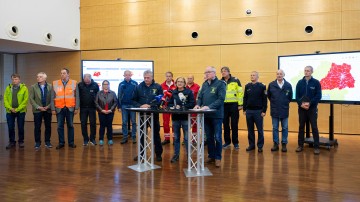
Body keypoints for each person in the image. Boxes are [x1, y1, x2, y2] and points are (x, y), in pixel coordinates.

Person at [194, 66, 226, 168]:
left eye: (208, 72)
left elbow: (221, 99)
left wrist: (209, 107)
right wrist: (198, 104)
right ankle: (211, 156)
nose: (207, 74)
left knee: (217, 137)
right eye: (205, 72)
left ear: (214, 73)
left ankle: (218, 158)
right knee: (209, 137)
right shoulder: (204, 84)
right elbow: (200, 97)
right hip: (206, 115)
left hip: (216, 115)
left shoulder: (220, 84)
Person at [132, 70, 163, 162]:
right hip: (142, 115)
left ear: (152, 77)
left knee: (156, 135)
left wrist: (151, 106)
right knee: (142, 135)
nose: (146, 79)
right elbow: (133, 100)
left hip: (154, 114)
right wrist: (140, 106)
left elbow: (161, 100)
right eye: (145, 78)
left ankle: (158, 154)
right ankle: (141, 154)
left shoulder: (158, 87)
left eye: (148, 78)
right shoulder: (138, 87)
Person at [168, 77, 195, 163]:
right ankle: (176, 155)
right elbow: (169, 103)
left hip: (185, 118)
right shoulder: (173, 92)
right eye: (178, 81)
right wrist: (173, 106)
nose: (179, 83)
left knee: (186, 138)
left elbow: (192, 103)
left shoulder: (188, 92)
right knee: (176, 138)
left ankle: (188, 156)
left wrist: (184, 107)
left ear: (184, 83)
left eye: (181, 82)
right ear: (176, 83)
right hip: (175, 118)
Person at [295, 66, 322, 155]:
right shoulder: (299, 83)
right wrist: (301, 104)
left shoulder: (316, 82)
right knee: (301, 127)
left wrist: (309, 104)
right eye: (305, 71)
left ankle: (316, 147)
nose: (306, 72)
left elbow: (318, 96)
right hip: (302, 109)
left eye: (308, 71)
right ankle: (300, 145)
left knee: (314, 127)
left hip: (312, 109)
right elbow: (297, 96)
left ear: (312, 72)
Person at [51, 68, 80, 150]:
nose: (62, 74)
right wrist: (53, 108)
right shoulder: (55, 83)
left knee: (70, 125)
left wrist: (77, 108)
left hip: (70, 108)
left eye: (64, 73)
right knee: (60, 126)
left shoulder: (74, 83)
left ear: (68, 74)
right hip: (59, 108)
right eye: (61, 73)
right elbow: (52, 97)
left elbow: (77, 96)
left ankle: (71, 142)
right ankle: (61, 142)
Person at [267, 69, 293, 152]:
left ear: (284, 75)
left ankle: (284, 143)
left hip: (284, 109)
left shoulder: (288, 85)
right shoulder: (271, 85)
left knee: (285, 127)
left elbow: (290, 97)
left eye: (281, 74)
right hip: (274, 109)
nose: (279, 75)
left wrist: (284, 103)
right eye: (277, 74)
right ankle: (276, 144)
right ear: (276, 75)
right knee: (275, 128)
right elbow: (269, 96)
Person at [243, 71, 267, 153]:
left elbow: (265, 99)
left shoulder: (262, 86)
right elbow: (245, 98)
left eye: (254, 75)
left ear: (257, 77)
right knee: (250, 130)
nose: (252, 76)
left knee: (260, 130)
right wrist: (244, 109)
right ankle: (251, 145)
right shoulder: (247, 86)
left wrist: (264, 110)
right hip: (249, 111)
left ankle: (260, 146)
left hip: (258, 111)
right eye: (251, 75)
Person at [220, 66, 243, 150]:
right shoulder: (220, 82)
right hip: (224, 106)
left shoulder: (236, 80)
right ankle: (227, 142)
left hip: (234, 105)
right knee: (225, 125)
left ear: (229, 72)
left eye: (225, 71)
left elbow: (240, 92)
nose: (223, 72)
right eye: (222, 71)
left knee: (234, 124)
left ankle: (236, 143)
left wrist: (240, 104)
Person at [4, 73, 29, 149]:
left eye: (16, 79)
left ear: (19, 80)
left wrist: (17, 109)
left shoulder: (24, 88)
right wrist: (10, 108)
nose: (14, 81)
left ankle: (21, 141)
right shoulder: (8, 88)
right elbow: (5, 100)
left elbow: (25, 100)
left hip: (20, 111)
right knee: (10, 127)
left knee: (20, 127)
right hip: (9, 111)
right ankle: (12, 142)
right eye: (13, 79)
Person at [29, 72, 53, 149]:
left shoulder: (50, 86)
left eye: (40, 77)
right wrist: (38, 107)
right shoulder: (33, 87)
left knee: (48, 126)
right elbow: (31, 99)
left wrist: (48, 106)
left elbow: (53, 98)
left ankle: (47, 142)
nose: (38, 78)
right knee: (37, 127)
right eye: (37, 77)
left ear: (45, 78)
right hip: (37, 110)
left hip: (47, 110)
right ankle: (37, 142)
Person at [78, 73, 99, 146]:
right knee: (83, 124)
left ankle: (92, 139)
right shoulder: (80, 85)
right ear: (83, 79)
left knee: (93, 123)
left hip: (92, 108)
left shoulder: (95, 85)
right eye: (85, 80)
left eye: (88, 80)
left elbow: (97, 96)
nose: (86, 81)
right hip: (83, 108)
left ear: (90, 78)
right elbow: (78, 96)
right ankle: (85, 139)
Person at [118, 70, 138, 144]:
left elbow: (137, 95)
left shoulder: (135, 83)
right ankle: (125, 137)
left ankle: (133, 137)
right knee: (124, 122)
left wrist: (136, 105)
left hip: (133, 105)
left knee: (133, 122)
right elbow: (119, 95)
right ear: (124, 75)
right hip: (124, 105)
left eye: (128, 75)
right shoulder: (121, 84)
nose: (127, 76)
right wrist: (119, 106)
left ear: (131, 75)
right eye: (126, 75)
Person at [95, 80, 118, 146]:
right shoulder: (99, 93)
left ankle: (110, 139)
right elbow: (96, 103)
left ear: (109, 85)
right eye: (104, 84)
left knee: (109, 125)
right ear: (102, 86)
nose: (106, 85)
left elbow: (115, 102)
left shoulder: (113, 93)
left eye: (107, 84)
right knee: (102, 125)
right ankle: (101, 139)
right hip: (101, 112)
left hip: (110, 112)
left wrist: (111, 110)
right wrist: (101, 110)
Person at [160, 71, 176, 145]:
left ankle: (174, 138)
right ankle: (167, 138)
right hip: (165, 107)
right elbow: (160, 96)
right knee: (165, 123)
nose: (168, 77)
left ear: (172, 77)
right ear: (165, 77)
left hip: (174, 107)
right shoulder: (162, 85)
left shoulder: (176, 85)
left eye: (170, 76)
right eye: (167, 76)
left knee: (174, 123)